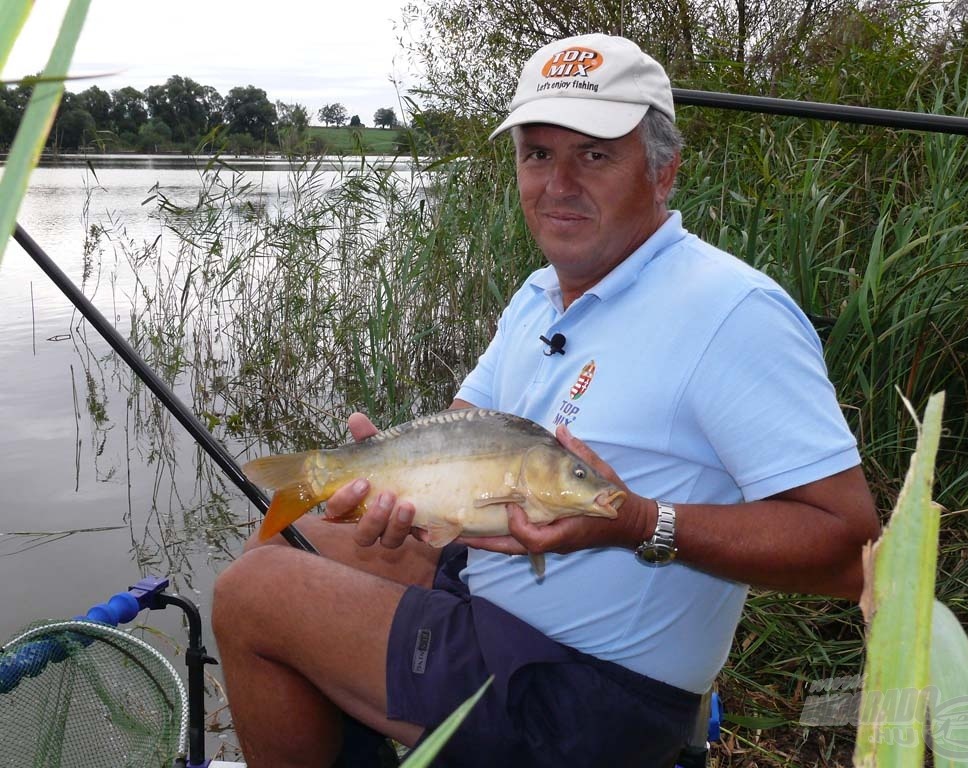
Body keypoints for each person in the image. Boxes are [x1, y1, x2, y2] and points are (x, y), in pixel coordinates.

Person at [211, 33, 880, 768]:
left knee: (253, 595)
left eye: (593, 155)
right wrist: (390, 480)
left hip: (593, 693)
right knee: (283, 538)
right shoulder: (540, 295)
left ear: (663, 172)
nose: (558, 182)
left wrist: (636, 523)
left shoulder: (731, 311)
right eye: (537, 153)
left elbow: (851, 552)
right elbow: (465, 439)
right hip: (492, 599)